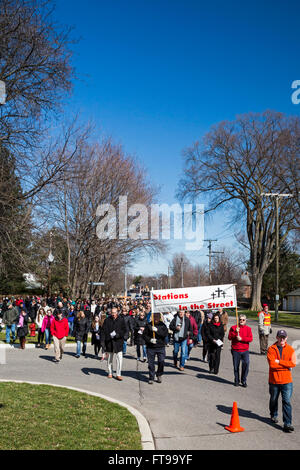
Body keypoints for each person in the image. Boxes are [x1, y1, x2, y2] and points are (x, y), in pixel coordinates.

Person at [267, 330, 296, 432]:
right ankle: (273, 415)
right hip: (274, 381)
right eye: (280, 337)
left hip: (287, 381)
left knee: (286, 401)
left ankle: (287, 423)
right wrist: (285, 365)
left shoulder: (291, 350)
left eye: (284, 337)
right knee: (274, 399)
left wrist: (279, 361)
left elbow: (293, 363)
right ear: (277, 337)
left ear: (286, 338)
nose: (282, 339)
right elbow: (272, 365)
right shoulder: (271, 349)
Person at [228, 314, 253, 387]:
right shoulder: (233, 327)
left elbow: (250, 339)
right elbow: (229, 337)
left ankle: (243, 380)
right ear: (238, 320)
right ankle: (236, 380)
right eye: (240, 319)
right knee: (236, 366)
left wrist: (242, 339)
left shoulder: (248, 329)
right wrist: (235, 332)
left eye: (243, 320)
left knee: (246, 365)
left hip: (245, 350)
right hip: (236, 350)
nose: (241, 321)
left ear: (245, 320)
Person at [143, 312, 168, 384]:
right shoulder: (149, 325)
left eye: (157, 317)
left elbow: (164, 334)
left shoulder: (162, 325)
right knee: (151, 364)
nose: (156, 318)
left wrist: (157, 330)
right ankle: (151, 377)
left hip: (160, 347)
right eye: (155, 316)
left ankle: (159, 374)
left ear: (159, 317)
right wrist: (150, 340)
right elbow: (144, 336)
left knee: (161, 361)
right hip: (151, 347)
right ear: (153, 317)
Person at [102, 307, 127, 380]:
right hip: (109, 342)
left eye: (115, 313)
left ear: (117, 312)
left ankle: (118, 374)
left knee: (119, 359)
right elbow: (103, 331)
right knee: (109, 359)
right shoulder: (107, 320)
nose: (113, 314)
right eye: (112, 313)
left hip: (118, 342)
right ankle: (110, 372)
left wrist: (119, 335)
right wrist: (103, 342)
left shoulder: (121, 320)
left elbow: (125, 330)